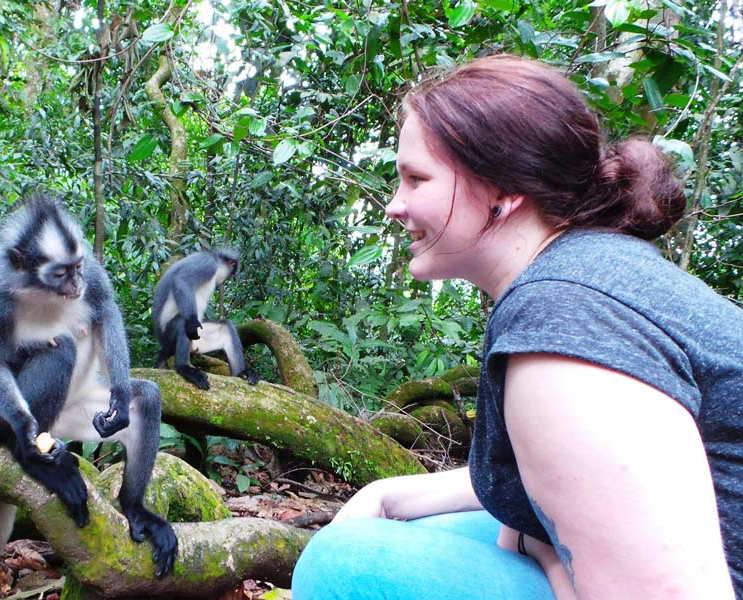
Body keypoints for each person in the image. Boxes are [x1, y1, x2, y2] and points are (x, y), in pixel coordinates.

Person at [291, 54, 742, 599]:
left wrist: (538, 548)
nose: (394, 206)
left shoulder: (565, 328)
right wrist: (391, 492)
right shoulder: (584, 267)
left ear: (503, 196)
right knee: (412, 530)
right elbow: (589, 480)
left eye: (416, 179)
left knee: (346, 565)